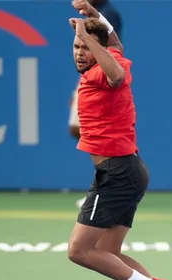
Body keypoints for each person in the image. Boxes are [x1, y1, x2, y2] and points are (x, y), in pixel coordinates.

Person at [67, 0, 172, 280]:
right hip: (127, 170)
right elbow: (117, 49)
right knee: (107, 250)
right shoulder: (115, 57)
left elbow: (115, 72)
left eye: (86, 47)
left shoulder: (106, 73)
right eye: (76, 46)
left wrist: (87, 32)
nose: (80, 52)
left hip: (118, 172)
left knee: (80, 252)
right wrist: (97, 22)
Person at [70, 1, 122, 209]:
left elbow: (111, 47)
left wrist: (84, 32)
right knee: (81, 130)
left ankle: (106, 185)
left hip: (102, 75)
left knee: (95, 133)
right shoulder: (89, 72)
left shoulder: (109, 15)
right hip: (94, 76)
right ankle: (106, 182)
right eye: (76, 45)